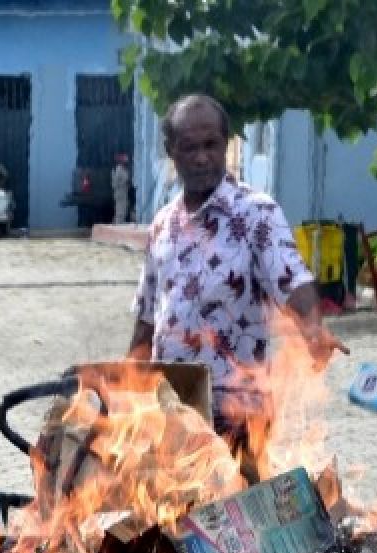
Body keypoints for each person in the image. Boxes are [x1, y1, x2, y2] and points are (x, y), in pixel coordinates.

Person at [127, 94, 348, 481]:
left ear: (226, 144)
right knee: (174, 527)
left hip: (237, 415)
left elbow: (292, 278)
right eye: (189, 147)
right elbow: (148, 315)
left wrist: (312, 327)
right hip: (173, 412)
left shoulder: (255, 214)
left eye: (211, 145)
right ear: (171, 152)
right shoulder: (162, 225)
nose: (201, 158)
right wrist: (126, 382)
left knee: (238, 526)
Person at [111, 153, 132, 225]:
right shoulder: (119, 169)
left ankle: (118, 224)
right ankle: (117, 225)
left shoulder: (122, 169)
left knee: (123, 209)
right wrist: (125, 182)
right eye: (125, 160)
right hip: (120, 193)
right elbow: (115, 183)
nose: (126, 162)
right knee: (120, 211)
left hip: (123, 192)